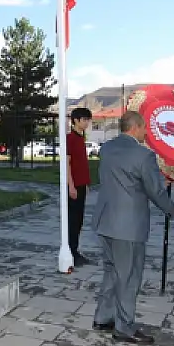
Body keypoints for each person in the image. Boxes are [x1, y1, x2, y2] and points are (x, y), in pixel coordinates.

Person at [91, 111, 174, 344]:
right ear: (136, 127)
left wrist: (157, 182)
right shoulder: (144, 155)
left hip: (105, 221)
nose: (146, 133)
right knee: (129, 276)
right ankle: (124, 327)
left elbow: (126, 180)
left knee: (112, 272)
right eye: (144, 129)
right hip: (128, 227)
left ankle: (103, 317)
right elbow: (154, 191)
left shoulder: (107, 149)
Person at [66, 107, 94, 266]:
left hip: (81, 185)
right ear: (76, 120)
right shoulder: (70, 138)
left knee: (79, 220)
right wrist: (71, 186)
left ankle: (75, 251)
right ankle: (71, 252)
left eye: (88, 120)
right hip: (74, 186)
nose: (87, 123)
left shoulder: (81, 138)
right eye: (84, 119)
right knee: (73, 220)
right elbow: (67, 164)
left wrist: (85, 184)